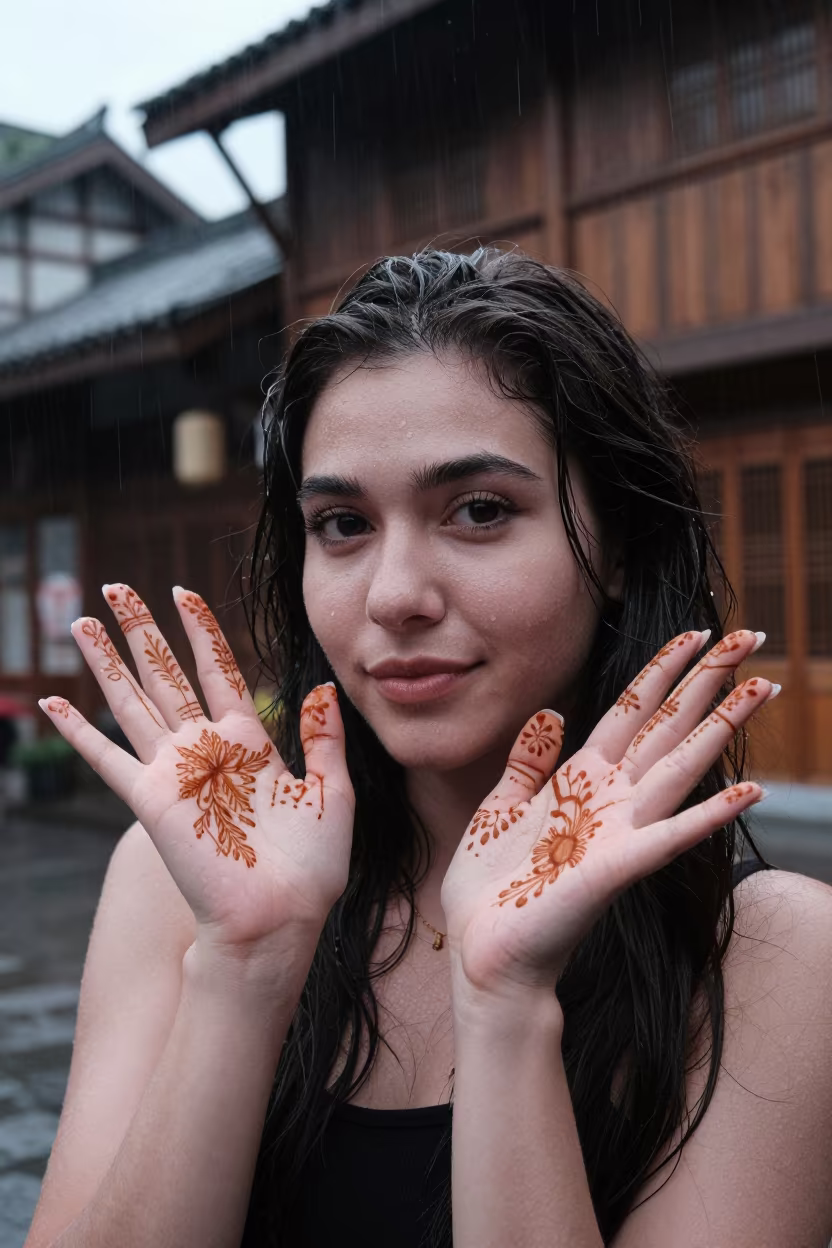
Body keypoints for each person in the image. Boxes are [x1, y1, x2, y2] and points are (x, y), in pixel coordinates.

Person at [24, 250, 832, 1248]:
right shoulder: (176, 883)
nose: (393, 594)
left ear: (616, 545)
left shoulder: (764, 956)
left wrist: (504, 1005)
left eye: (479, 510)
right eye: (342, 524)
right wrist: (245, 967)